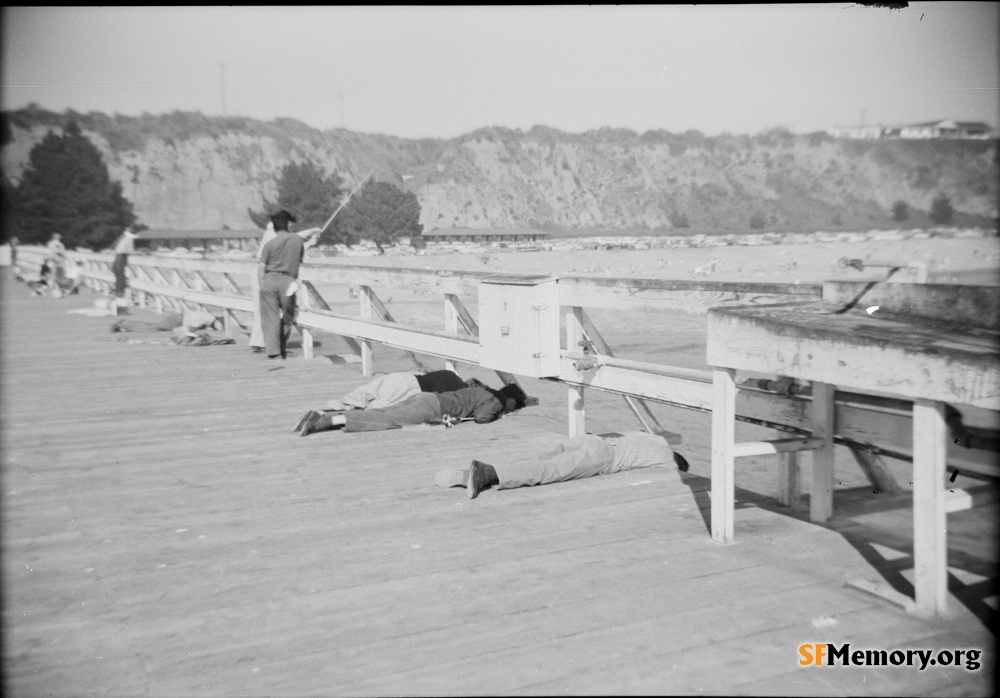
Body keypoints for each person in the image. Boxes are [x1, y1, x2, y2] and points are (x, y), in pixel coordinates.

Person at [433, 431, 689, 499]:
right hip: (604, 458)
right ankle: (487, 472)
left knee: (542, 462)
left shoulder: (655, 443)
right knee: (549, 472)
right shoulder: (668, 462)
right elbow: (669, 479)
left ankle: (472, 475)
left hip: (595, 441)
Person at [295, 383, 527, 436]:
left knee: (380, 414)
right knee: (385, 421)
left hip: (427, 398)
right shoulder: (496, 400)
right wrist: (499, 416)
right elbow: (481, 418)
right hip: (433, 407)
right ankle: (325, 421)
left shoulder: (481, 389)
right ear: (510, 400)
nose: (511, 410)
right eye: (513, 407)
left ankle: (327, 416)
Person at [250, 218, 321, 354]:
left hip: (265, 273)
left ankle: (259, 342)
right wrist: (310, 235)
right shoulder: (274, 234)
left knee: (264, 309)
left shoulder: (272, 234)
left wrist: (310, 239)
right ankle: (265, 344)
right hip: (267, 274)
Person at [322, 369, 482, 412]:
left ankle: (348, 402)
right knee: (381, 406)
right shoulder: (461, 393)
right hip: (414, 389)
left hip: (407, 377)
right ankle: (353, 410)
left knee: (370, 389)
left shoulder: (451, 374)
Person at [111, 227, 138, 300]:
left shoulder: (123, 239)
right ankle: (120, 294)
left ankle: (118, 293)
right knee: (121, 277)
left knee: (118, 276)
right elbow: (131, 250)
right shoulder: (130, 240)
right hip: (121, 258)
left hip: (117, 258)